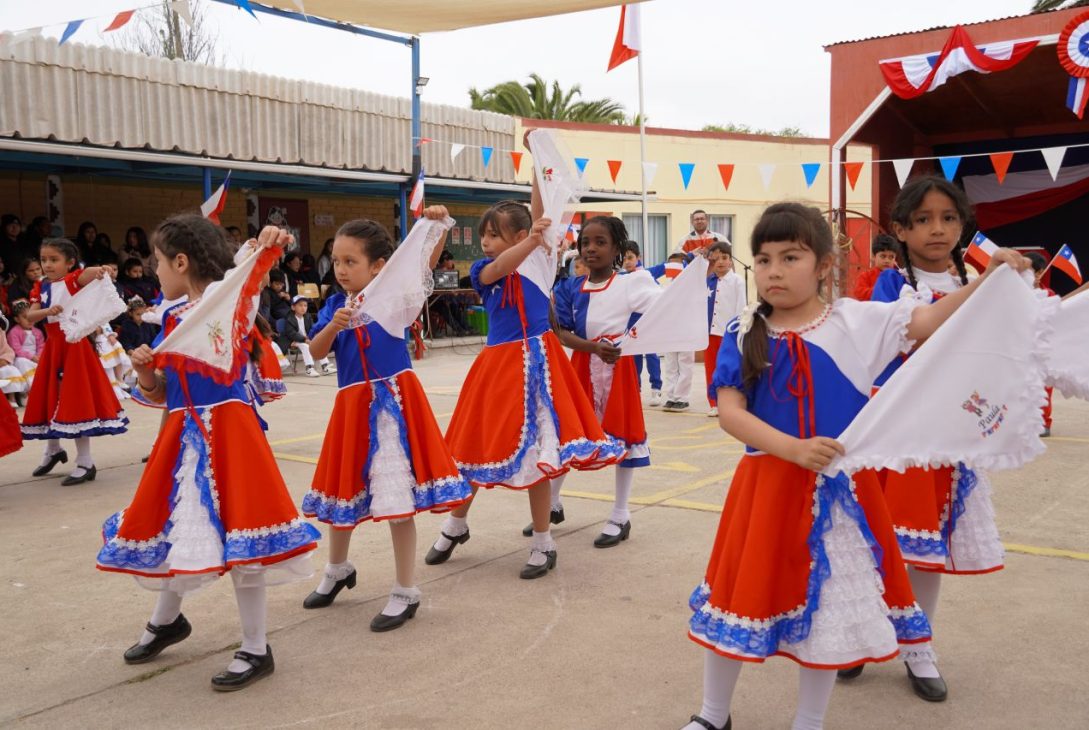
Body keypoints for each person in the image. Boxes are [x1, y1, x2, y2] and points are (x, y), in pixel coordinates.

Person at [683, 201, 1028, 730]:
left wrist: (991, 276)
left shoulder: (858, 321)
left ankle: (809, 720)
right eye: (765, 258)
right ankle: (712, 715)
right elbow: (730, 412)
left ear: (823, 265)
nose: (774, 270)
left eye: (790, 257)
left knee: (830, 614)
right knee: (738, 595)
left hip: (841, 497)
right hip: (764, 488)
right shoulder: (743, 328)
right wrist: (791, 449)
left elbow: (932, 319)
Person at [96, 216, 320, 691]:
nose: (154, 271)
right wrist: (146, 373)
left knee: (244, 539)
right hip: (183, 437)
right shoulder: (173, 318)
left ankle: (256, 647)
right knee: (181, 529)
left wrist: (267, 248)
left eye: (158, 262)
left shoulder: (228, 306)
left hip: (230, 435)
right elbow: (162, 394)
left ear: (181, 262)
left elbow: (249, 283)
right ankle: (167, 622)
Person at [859, 175, 1009, 700]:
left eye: (948, 218)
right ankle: (867, 633)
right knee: (879, 543)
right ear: (900, 228)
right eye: (922, 220)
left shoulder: (980, 279)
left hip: (948, 437)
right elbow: (915, 331)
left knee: (925, 550)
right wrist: (989, 285)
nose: (937, 229)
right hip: (896, 434)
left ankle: (919, 648)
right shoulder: (891, 285)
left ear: (963, 223)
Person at [424, 198, 624, 579]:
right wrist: (530, 241)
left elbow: (541, 204)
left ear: (518, 234)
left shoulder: (541, 261)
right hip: (497, 369)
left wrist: (537, 159)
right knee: (472, 446)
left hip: (540, 369)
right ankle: (455, 525)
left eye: (493, 234)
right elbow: (500, 266)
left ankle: (543, 542)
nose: (485, 241)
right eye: (483, 234)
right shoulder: (488, 268)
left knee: (538, 455)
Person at [299, 209, 473, 629]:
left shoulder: (395, 303)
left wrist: (434, 226)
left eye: (350, 261)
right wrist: (333, 327)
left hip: (392, 412)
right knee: (344, 494)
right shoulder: (334, 308)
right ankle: (336, 569)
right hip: (351, 411)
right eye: (336, 261)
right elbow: (317, 352)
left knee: (397, 502)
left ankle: (404, 589)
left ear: (378, 267)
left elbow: (421, 268)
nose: (340, 270)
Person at [552, 216, 660, 547]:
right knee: (567, 434)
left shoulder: (631, 283)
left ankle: (620, 514)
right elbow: (562, 332)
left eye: (600, 242)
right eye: (586, 242)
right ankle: (550, 505)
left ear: (616, 248)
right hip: (583, 365)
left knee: (623, 434)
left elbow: (663, 308)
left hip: (618, 368)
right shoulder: (570, 288)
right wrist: (592, 348)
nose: (591, 248)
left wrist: (629, 341)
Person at [19, 239, 128, 485]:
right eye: (43, 259)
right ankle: (53, 450)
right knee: (52, 398)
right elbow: (30, 315)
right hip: (53, 349)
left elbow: (87, 274)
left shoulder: (72, 280)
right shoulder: (41, 287)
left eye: (54, 260)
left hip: (75, 350)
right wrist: (47, 312)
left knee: (76, 401)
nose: (47, 264)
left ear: (69, 263)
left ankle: (85, 461)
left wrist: (100, 270)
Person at [704, 242, 747, 417]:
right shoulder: (708, 281)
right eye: (716, 259)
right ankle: (713, 403)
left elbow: (741, 306)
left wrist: (738, 330)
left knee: (728, 367)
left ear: (730, 261)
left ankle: (731, 402)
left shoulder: (737, 281)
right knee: (710, 368)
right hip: (709, 333)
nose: (720, 262)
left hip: (728, 333)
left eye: (724, 258)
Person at [649, 251, 694, 412]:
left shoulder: (692, 286)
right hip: (669, 331)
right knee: (670, 366)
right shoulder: (664, 287)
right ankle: (671, 396)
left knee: (685, 364)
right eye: (671, 265)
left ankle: (682, 398)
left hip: (687, 330)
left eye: (679, 265)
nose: (675, 269)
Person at [621, 240, 663, 407]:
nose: (627, 262)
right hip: (629, 321)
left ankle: (656, 388)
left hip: (646, 320)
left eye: (630, 257)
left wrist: (690, 257)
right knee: (634, 356)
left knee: (651, 354)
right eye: (623, 259)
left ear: (639, 257)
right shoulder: (621, 277)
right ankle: (635, 388)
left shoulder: (647, 274)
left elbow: (668, 267)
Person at [1028, 252, 1056, 437]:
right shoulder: (1015, 293)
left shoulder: (1049, 295)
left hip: (1042, 351)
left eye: (1038, 272)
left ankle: (1044, 422)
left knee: (1044, 388)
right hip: (1021, 349)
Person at [278, 294, 334, 377]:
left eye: (305, 305)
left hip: (305, 339)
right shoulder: (289, 318)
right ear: (293, 307)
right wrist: (305, 340)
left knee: (317, 343)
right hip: (293, 340)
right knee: (305, 346)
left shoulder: (308, 317)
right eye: (300, 305)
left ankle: (325, 366)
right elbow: (292, 333)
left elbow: (313, 329)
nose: (303, 308)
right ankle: (309, 368)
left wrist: (314, 337)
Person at [430, 249, 472, 336]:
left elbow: (451, 287)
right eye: (450, 260)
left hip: (445, 298)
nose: (451, 262)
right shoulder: (433, 272)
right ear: (445, 260)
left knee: (454, 305)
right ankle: (459, 330)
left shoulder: (450, 272)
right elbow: (433, 290)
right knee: (444, 307)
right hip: (434, 301)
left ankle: (466, 327)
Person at [6, 302, 42, 393]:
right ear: (17, 319)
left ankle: (39, 387)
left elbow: (41, 346)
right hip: (22, 358)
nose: (29, 320)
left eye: (31, 317)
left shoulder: (38, 332)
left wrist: (39, 356)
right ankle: (30, 390)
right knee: (22, 362)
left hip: (37, 358)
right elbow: (16, 349)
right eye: (25, 317)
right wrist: (31, 357)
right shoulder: (14, 332)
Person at [852, 234, 900, 301]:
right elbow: (859, 293)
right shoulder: (866, 276)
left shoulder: (899, 276)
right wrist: (879, 291)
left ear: (895, 259)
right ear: (873, 257)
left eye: (891, 257)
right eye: (883, 256)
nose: (887, 261)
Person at [0, 312, 27, 407]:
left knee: (10, 370)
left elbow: (8, 350)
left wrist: (5, 359)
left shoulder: (1, 333)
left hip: (1, 362)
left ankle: (12, 398)